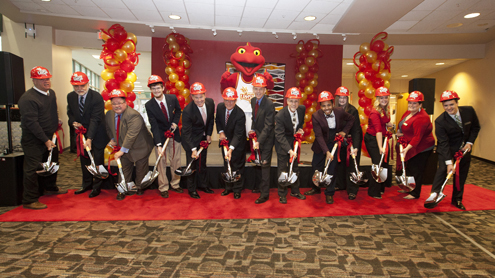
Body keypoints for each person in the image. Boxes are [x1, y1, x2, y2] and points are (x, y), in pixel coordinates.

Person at [18, 66, 67, 210]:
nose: (47, 81)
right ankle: (30, 199)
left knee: (52, 162)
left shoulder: (50, 93)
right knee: (32, 168)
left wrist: (56, 120)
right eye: (42, 79)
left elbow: (51, 111)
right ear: (33, 80)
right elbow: (31, 123)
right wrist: (45, 141)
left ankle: (49, 187)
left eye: (47, 78)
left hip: (50, 137)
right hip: (33, 139)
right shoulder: (28, 99)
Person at [425, 90, 480, 210]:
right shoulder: (440, 121)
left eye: (451, 104)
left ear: (457, 103)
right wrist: (449, 162)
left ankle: (457, 199)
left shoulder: (469, 111)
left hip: (465, 149)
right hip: (447, 149)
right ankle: (434, 195)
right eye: (445, 105)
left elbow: (476, 127)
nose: (449, 108)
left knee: (461, 174)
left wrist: (470, 142)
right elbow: (443, 143)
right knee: (443, 170)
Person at [304, 91, 355, 204]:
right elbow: (318, 135)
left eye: (328, 105)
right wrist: (326, 151)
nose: (326, 108)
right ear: (320, 106)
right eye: (323, 105)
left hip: (335, 143)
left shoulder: (340, 111)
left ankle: (329, 192)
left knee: (332, 168)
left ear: (332, 104)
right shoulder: (316, 116)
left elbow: (351, 119)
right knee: (316, 167)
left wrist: (344, 132)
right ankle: (316, 188)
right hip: (320, 144)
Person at [105, 89, 154, 200]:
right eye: (114, 103)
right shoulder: (109, 114)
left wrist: (121, 150)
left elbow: (131, 135)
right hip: (123, 145)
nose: (117, 106)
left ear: (125, 103)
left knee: (141, 169)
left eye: (119, 103)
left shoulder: (134, 115)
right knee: (124, 168)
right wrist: (112, 139)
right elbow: (108, 128)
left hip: (140, 146)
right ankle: (123, 188)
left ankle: (140, 187)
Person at [67, 72, 108, 198]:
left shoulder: (96, 97)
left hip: (97, 134)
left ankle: (97, 187)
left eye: (82, 85)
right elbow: (70, 112)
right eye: (76, 86)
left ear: (88, 83)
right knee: (84, 160)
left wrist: (89, 138)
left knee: (97, 161)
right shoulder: (71, 96)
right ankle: (86, 184)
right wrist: (73, 122)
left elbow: (95, 119)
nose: (79, 89)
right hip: (81, 134)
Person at [144, 75, 183, 198]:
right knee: (161, 162)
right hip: (160, 136)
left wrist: (175, 122)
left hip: (174, 134)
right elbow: (153, 125)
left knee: (175, 160)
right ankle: (163, 187)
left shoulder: (172, 98)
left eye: (158, 88)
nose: (156, 91)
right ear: (151, 90)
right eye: (153, 88)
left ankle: (175, 184)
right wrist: (159, 144)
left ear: (163, 88)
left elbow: (178, 110)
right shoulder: (149, 105)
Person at [396, 91, 435, 199]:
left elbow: (417, 137)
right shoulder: (408, 112)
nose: (411, 105)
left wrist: (406, 149)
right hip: (410, 144)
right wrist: (401, 134)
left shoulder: (422, 117)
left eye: (414, 104)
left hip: (422, 147)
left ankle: (415, 193)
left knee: (416, 169)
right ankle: (408, 187)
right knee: (408, 167)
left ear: (420, 105)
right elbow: (405, 126)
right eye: (410, 103)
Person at [181, 82, 215, 199]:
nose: (199, 100)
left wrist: (209, 134)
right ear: (192, 97)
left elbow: (210, 120)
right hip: (190, 140)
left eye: (201, 96)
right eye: (196, 97)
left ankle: (203, 185)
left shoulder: (210, 103)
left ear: (205, 95)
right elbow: (186, 132)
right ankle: (192, 189)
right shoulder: (187, 111)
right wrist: (193, 149)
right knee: (191, 165)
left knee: (202, 163)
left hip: (203, 138)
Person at [275, 87, 306, 204]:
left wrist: (299, 130)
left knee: (295, 168)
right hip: (283, 145)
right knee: (283, 170)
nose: (294, 103)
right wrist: (289, 150)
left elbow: (300, 123)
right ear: (287, 101)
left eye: (296, 101)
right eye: (292, 101)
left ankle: (295, 190)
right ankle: (282, 193)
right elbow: (279, 136)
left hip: (295, 143)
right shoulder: (280, 116)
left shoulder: (302, 109)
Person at [333, 86, 363, 200]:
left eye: (344, 98)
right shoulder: (334, 109)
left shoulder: (352, 110)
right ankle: (341, 185)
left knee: (352, 166)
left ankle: (352, 190)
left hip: (351, 141)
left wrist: (355, 146)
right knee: (339, 164)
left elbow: (356, 130)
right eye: (340, 97)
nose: (342, 100)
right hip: (340, 142)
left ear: (347, 98)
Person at [216, 87, 247, 199]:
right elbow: (218, 121)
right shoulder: (219, 107)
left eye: (232, 100)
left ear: (235, 100)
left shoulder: (240, 114)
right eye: (227, 100)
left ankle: (237, 189)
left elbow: (238, 134)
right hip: (225, 141)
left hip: (237, 144)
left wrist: (230, 149)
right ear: (223, 99)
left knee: (237, 166)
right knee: (227, 164)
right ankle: (228, 188)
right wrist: (221, 132)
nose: (229, 103)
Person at [249, 75, 275, 204]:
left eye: (261, 89)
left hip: (267, 139)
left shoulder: (269, 104)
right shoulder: (253, 101)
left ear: (265, 90)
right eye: (256, 89)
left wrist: (259, 141)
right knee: (257, 164)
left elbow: (269, 125)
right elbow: (255, 119)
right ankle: (259, 187)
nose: (258, 91)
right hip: (258, 137)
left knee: (265, 166)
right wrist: (253, 130)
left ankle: (265, 194)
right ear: (253, 89)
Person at [365, 86, 394, 199]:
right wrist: (380, 147)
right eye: (381, 98)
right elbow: (377, 131)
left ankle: (381, 188)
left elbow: (384, 123)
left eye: (386, 98)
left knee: (384, 163)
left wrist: (388, 124)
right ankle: (373, 191)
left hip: (382, 138)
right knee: (377, 164)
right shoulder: (374, 113)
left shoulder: (385, 109)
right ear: (377, 99)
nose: (384, 100)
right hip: (373, 139)